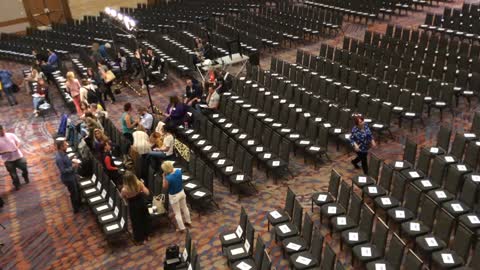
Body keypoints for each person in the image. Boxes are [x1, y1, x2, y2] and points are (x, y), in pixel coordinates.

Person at [121, 172, 151, 244]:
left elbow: (122, 198)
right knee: (145, 218)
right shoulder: (139, 184)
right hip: (141, 202)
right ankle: (147, 235)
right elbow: (147, 192)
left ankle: (140, 239)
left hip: (133, 205)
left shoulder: (124, 189)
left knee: (136, 222)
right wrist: (142, 187)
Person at [162, 161, 191, 232]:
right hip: (181, 192)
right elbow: (173, 170)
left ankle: (182, 228)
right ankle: (188, 222)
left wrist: (163, 177)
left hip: (174, 196)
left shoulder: (168, 178)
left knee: (177, 212)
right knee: (185, 208)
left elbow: (164, 186)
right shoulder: (178, 171)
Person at [0, 125, 29, 190]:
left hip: (18, 156)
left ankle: (25, 176)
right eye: (0, 132)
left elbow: (18, 142)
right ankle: (17, 184)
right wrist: (5, 152)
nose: (2, 132)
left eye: (3, 130)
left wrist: (17, 147)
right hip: (8, 160)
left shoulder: (11, 135)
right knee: (13, 175)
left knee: (24, 168)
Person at [55, 140, 81, 213]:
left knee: (77, 189)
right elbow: (63, 171)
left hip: (72, 176)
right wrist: (73, 166)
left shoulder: (63, 153)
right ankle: (76, 209)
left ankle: (79, 203)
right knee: (73, 193)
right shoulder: (59, 158)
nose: (67, 146)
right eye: (66, 145)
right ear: (61, 147)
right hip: (68, 178)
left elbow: (67, 163)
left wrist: (72, 159)